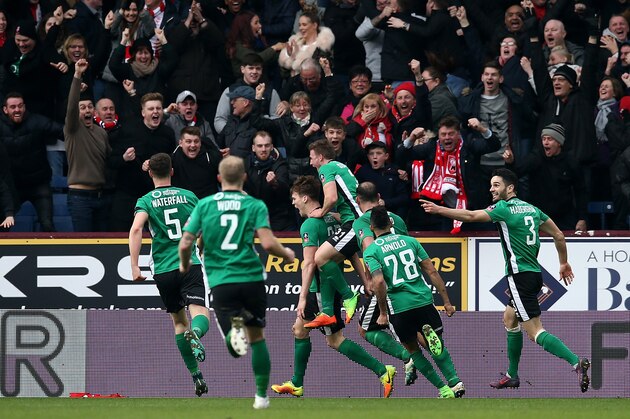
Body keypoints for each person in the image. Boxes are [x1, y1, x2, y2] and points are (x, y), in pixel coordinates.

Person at [420, 168, 591, 393]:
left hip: (519, 277)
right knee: (510, 319)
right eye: (491, 185)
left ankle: (575, 362)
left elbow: (471, 216)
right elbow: (559, 235)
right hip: (533, 275)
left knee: (535, 332)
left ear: (510, 188)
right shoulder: (533, 209)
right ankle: (512, 375)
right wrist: (563, 262)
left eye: (496, 185)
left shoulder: (504, 208)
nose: (491, 189)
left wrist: (440, 209)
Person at [179, 155, 296, 410]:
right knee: (258, 338)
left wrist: (185, 264)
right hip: (252, 277)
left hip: (222, 280)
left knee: (235, 347)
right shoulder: (254, 205)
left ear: (219, 178)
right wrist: (286, 253)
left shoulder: (205, 205)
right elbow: (267, 243)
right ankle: (261, 397)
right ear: (244, 177)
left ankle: (235, 329)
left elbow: (186, 241)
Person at [271, 176, 396, 398]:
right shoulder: (334, 220)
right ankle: (296, 383)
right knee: (299, 330)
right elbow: (351, 253)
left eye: (294, 198)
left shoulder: (309, 224)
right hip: (333, 286)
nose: (293, 203)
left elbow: (309, 263)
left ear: (305, 198)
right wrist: (363, 278)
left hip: (320, 289)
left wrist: (302, 297)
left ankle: (382, 370)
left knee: (334, 340)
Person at [129, 152, 210, 397]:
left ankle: (196, 376)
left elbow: (136, 229)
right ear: (172, 171)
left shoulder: (145, 200)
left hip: (163, 269)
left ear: (150, 173)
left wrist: (135, 266)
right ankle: (196, 334)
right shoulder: (189, 197)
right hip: (189, 263)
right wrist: (201, 247)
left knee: (178, 321)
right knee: (199, 313)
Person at [365, 206, 464, 398]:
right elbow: (432, 271)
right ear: (391, 223)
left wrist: (383, 313)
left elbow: (378, 281)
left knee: (413, 350)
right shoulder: (410, 241)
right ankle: (455, 382)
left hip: (399, 307)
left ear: (371, 227)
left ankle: (443, 389)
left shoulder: (372, 251)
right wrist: (447, 302)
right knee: (436, 343)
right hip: (423, 301)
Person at [351, 181, 419, 388]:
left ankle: (408, 357)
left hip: (386, 283)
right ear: (378, 195)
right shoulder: (396, 218)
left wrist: (370, 279)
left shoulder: (362, 222)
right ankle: (443, 367)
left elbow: (370, 247)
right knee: (416, 331)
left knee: (365, 329)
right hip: (409, 282)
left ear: (357, 200)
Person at [304, 139, 362, 329]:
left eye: (312, 158)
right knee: (329, 261)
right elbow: (349, 199)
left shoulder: (326, 169)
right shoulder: (341, 166)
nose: (311, 163)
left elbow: (332, 198)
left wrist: (321, 212)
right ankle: (328, 312)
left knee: (319, 257)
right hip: (354, 219)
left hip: (355, 222)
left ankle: (349, 295)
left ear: (320, 157)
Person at [64, 58, 111, 232]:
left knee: (105, 245)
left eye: (90, 107)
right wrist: (77, 75)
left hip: (101, 195)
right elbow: (71, 107)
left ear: (95, 111)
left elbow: (109, 159)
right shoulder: (73, 129)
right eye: (82, 107)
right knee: (84, 243)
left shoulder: (101, 132)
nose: (86, 110)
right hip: (79, 197)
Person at [243, 131, 295, 231]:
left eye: (267, 146)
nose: (263, 149)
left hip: (278, 217)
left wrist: (275, 183)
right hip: (254, 215)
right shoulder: (245, 164)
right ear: (253, 148)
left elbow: (286, 190)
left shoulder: (280, 164)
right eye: (260, 146)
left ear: (271, 147)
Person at [355, 143, 409, 219]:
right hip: (368, 216)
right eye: (371, 154)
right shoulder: (362, 172)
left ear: (386, 156)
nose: (374, 157)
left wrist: (386, 202)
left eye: (379, 153)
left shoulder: (395, 172)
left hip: (391, 216)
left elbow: (404, 198)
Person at [172, 126, 221, 199]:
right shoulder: (173, 160)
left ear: (200, 143)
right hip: (185, 204)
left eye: (196, 141)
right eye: (188, 141)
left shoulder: (212, 157)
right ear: (181, 143)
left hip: (207, 203)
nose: (193, 145)